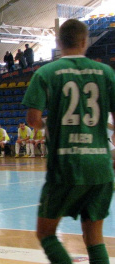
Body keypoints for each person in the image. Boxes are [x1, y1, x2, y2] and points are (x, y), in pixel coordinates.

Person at [23, 18, 115, 264]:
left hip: (66, 166)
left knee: (46, 233)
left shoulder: (46, 73)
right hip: (100, 167)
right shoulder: (106, 72)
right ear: (85, 41)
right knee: (95, 238)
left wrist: (48, 124)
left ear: (58, 42)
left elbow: (32, 119)